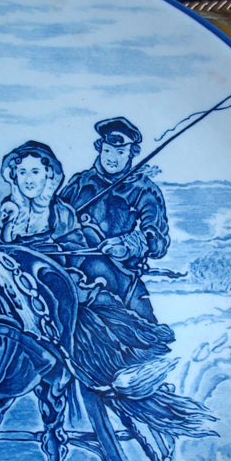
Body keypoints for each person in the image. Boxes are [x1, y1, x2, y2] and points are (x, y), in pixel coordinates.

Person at [60, 117, 170, 323]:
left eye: (120, 152)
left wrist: (128, 244)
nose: (112, 158)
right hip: (70, 270)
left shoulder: (143, 189)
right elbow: (54, 219)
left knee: (149, 331)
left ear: (131, 153)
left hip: (120, 277)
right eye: (108, 151)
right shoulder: (80, 182)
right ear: (100, 149)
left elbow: (158, 243)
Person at [0, 140, 79, 244]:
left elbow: (75, 246)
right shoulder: (6, 210)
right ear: (14, 176)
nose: (28, 180)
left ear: (48, 174)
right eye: (22, 172)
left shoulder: (63, 214)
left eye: (35, 172)